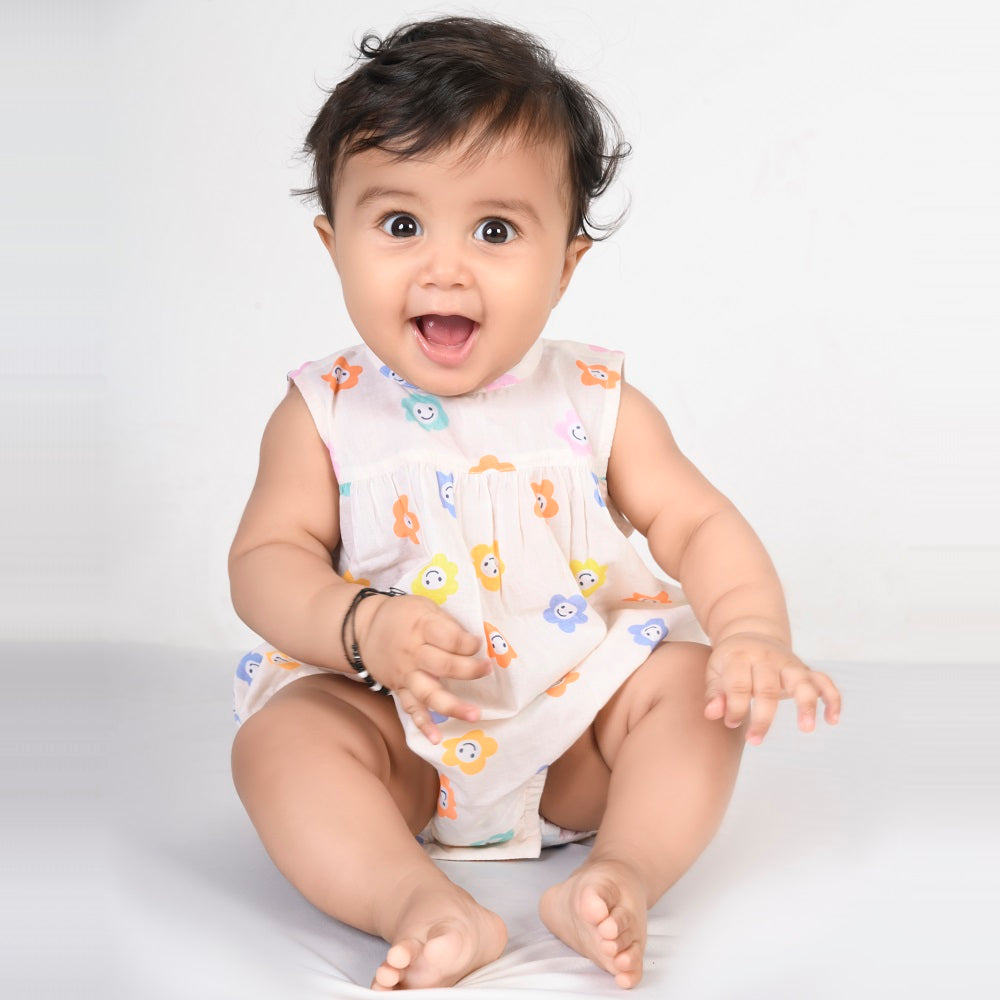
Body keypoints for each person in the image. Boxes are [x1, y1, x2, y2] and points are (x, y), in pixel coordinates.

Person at [228, 14, 841, 992]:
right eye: (399, 224)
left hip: (575, 742)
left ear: (565, 263)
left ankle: (619, 872)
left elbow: (699, 523)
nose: (444, 266)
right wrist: (358, 628)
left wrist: (752, 629)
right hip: (399, 743)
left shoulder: (597, 400)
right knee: (281, 741)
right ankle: (413, 900)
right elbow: (265, 561)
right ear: (332, 240)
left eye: (496, 229)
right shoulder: (322, 413)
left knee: (693, 693)